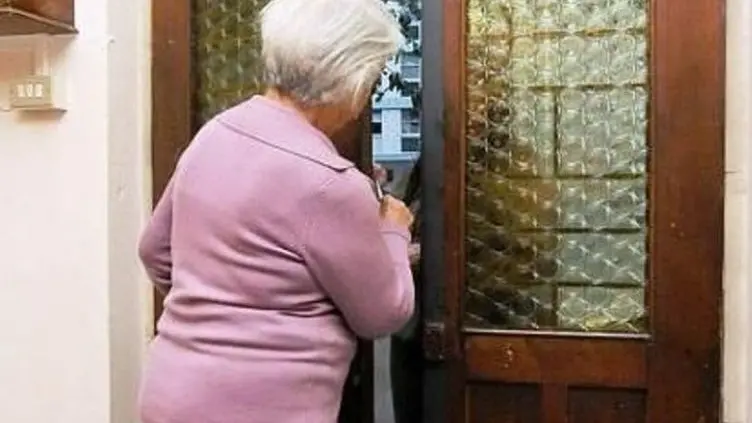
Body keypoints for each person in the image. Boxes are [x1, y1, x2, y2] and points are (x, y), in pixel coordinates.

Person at [136, 1, 415, 422]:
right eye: (372, 78)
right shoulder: (331, 183)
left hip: (171, 394)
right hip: (263, 407)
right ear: (352, 78)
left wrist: (225, 307)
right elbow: (382, 313)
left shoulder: (215, 135)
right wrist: (394, 229)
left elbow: (154, 250)